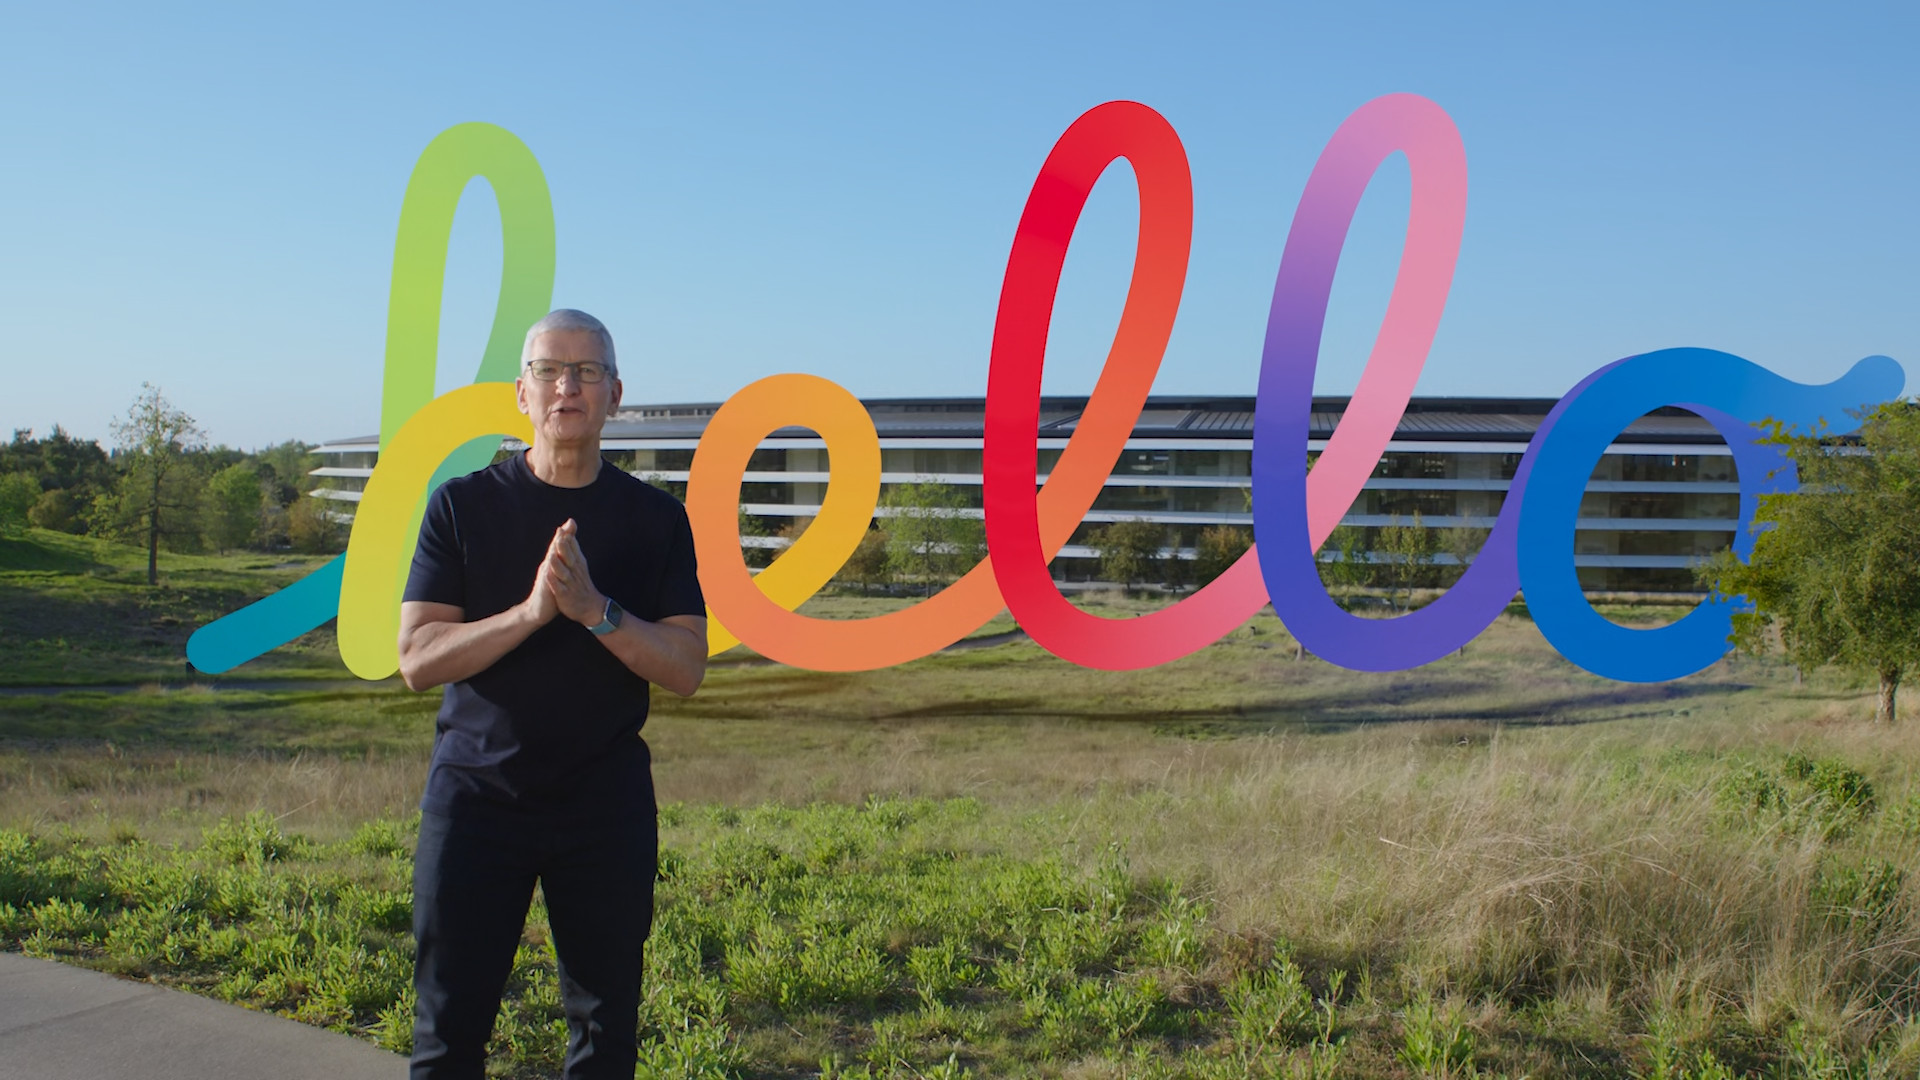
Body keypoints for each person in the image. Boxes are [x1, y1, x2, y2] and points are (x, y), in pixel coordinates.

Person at [396, 308, 708, 1079]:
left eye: (587, 372)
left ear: (615, 395)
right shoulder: (461, 506)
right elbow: (418, 659)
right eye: (549, 370)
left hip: (604, 807)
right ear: (522, 392)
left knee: (606, 1036)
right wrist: (533, 613)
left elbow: (685, 667)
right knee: (446, 1033)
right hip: (476, 799)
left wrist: (597, 612)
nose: (567, 386)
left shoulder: (657, 520)